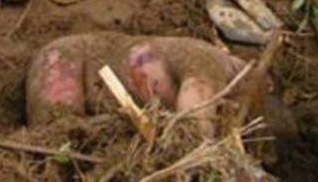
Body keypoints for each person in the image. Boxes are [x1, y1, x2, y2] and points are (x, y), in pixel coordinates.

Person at [26, 32, 249, 136]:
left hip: (75, 62)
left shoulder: (212, 61)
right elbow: (192, 130)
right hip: (66, 57)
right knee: (56, 131)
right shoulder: (209, 64)